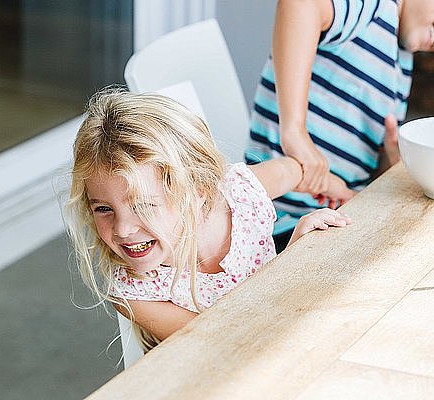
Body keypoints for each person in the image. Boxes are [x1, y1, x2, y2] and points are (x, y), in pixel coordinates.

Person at [66, 88, 353, 351]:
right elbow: (232, 341)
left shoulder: (238, 195)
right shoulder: (136, 293)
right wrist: (293, 255)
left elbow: (297, 170)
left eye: (143, 206)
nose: (123, 228)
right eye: (103, 209)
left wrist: (339, 191)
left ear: (199, 191)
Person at [245, 0, 434, 251]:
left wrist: (389, 160)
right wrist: (295, 131)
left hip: (332, 219)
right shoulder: (374, 8)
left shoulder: (402, 58)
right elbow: (300, 5)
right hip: (281, 223)